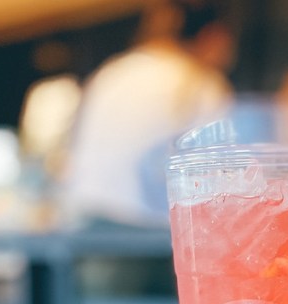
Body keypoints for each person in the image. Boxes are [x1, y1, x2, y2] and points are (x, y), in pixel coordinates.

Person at [62, 2, 235, 226]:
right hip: (150, 233)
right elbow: (217, 175)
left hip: (86, 226)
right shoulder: (200, 83)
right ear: (213, 36)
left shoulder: (113, 71)